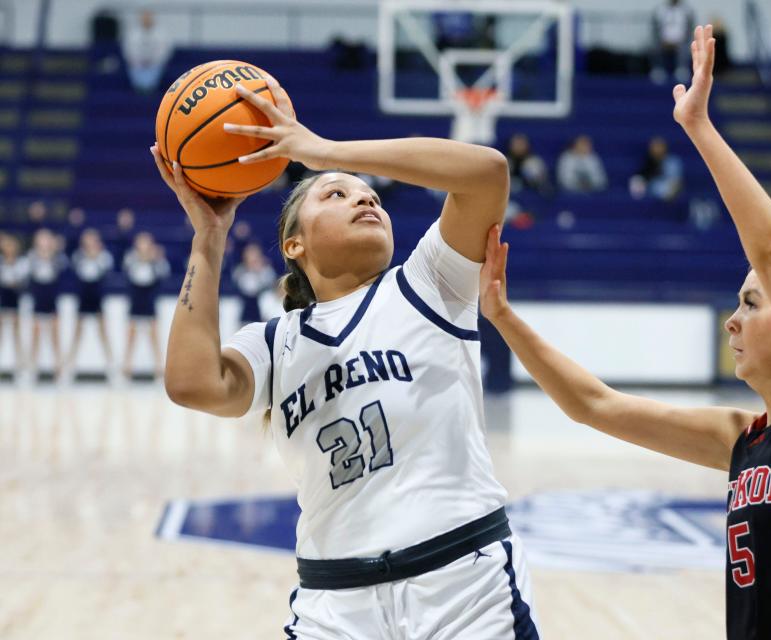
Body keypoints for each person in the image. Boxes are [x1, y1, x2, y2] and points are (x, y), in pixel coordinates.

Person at [480, 25, 771, 638]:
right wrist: (502, 317)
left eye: (752, 304)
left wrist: (698, 127)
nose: (733, 319)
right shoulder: (744, 440)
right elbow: (594, 405)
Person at [152, 75, 539, 638]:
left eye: (371, 194)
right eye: (335, 193)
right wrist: (208, 239)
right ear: (294, 245)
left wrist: (324, 154)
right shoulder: (273, 342)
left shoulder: (429, 282)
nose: (364, 197)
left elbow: (487, 174)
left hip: (463, 585)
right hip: (334, 606)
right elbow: (191, 383)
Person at [67, 228, 115, 377]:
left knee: (103, 332)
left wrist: (95, 255)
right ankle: (70, 367)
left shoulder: (104, 256)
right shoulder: (78, 256)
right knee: (77, 332)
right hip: (83, 296)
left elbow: (104, 268)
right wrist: (89, 255)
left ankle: (111, 366)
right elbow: (80, 270)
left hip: (97, 296)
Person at [122, 231, 169, 379]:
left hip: (149, 298)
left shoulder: (157, 260)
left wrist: (156, 258)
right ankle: (127, 366)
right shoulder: (131, 257)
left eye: (146, 242)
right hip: (136, 298)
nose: (143, 245)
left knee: (154, 334)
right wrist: (145, 258)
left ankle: (159, 367)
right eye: (141, 242)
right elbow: (129, 271)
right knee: (132, 333)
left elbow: (164, 272)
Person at [27, 229, 69, 378]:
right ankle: (32, 367)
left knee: (54, 334)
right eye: (41, 239)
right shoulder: (32, 256)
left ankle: (58, 366)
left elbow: (62, 266)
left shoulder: (57, 257)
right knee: (35, 333)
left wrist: (54, 250)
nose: (44, 242)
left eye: (46, 239)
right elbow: (33, 271)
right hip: (38, 295)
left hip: (52, 296)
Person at [122, 9, 171, 94]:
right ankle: (139, 91)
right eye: (144, 17)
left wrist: (151, 61)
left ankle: (150, 91)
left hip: (154, 65)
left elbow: (163, 52)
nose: (146, 19)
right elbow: (129, 51)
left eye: (148, 17)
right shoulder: (133, 34)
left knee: (153, 76)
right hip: (137, 65)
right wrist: (139, 61)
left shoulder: (161, 33)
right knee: (136, 76)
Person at [0, 233, 28, 370]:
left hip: (15, 298)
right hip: (2, 297)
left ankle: (20, 365)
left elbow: (20, 281)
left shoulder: (22, 262)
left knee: (16, 332)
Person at [650, 0, 695, 84]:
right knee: (654, 45)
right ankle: (658, 69)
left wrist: (680, 41)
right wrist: (663, 40)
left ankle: (682, 69)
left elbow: (689, 29)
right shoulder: (660, 9)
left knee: (687, 46)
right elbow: (655, 29)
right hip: (663, 41)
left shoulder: (687, 10)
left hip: (681, 41)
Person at [231, 242, 276, 323]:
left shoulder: (266, 269)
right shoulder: (240, 270)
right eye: (250, 255)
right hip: (245, 313)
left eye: (255, 255)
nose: (253, 258)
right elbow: (249, 288)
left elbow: (271, 282)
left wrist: (260, 271)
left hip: (264, 313)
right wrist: (254, 271)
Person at [629, 136, 684, 201]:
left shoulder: (673, 162)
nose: (657, 149)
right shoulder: (646, 162)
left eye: (660, 147)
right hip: (652, 194)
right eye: (655, 147)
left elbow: (677, 183)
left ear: (665, 147)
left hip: (670, 193)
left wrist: (672, 193)